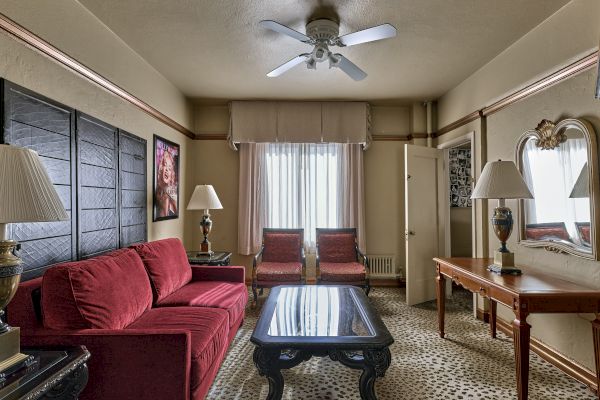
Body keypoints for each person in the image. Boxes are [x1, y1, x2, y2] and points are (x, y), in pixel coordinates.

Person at [155, 150, 177, 217]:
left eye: (170, 168)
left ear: (171, 174)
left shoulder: (172, 194)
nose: (167, 169)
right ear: (161, 169)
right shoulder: (157, 190)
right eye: (165, 165)